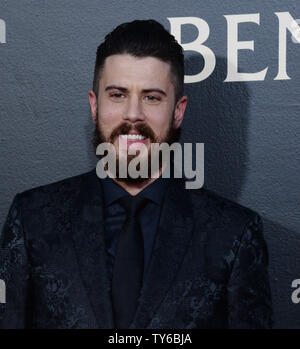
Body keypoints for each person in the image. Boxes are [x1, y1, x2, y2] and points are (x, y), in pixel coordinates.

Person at [0, 19, 273, 329]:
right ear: (94, 105)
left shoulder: (234, 234)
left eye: (151, 97)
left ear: (178, 111)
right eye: (117, 95)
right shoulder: (32, 218)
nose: (133, 114)